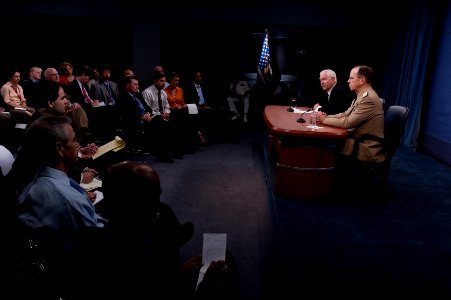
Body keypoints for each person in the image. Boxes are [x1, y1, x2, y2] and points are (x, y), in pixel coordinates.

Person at [72, 160, 238, 300]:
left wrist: (179, 271)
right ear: (145, 204)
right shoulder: (147, 251)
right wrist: (205, 282)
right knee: (225, 263)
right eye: (155, 195)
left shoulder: (90, 238)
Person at [15, 116, 105, 252]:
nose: (77, 145)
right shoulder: (70, 201)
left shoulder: (30, 188)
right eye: (74, 140)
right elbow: (101, 242)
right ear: (59, 149)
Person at [318, 65, 385, 163]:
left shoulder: (368, 98)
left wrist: (324, 120)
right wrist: (326, 117)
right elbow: (345, 114)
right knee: (328, 142)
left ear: (362, 80)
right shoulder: (362, 95)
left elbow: (348, 123)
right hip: (358, 140)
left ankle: (325, 174)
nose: (348, 81)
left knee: (325, 145)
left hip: (366, 146)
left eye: (351, 78)